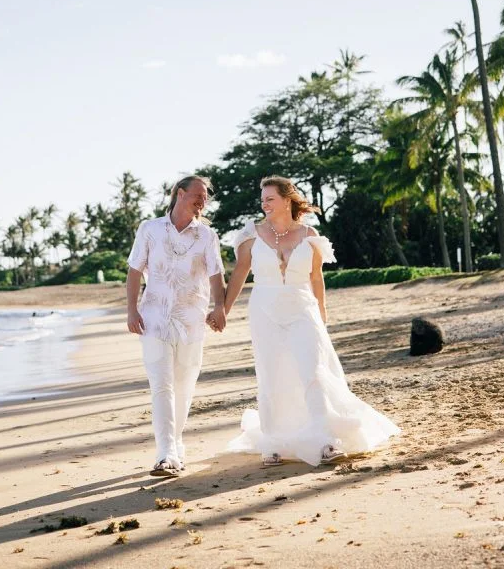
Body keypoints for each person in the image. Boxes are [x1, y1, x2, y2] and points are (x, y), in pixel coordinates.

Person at [210, 175, 400, 468]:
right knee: (271, 372)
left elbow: (316, 277)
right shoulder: (251, 236)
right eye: (262, 200)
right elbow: (238, 277)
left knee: (312, 370)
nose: (265, 204)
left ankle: (325, 440)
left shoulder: (310, 236)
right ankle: (273, 442)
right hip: (265, 311)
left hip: (303, 309)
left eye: (270, 198)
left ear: (287, 200)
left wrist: (321, 314)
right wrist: (223, 309)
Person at [127, 175, 226, 478]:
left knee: (184, 385)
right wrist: (131, 310)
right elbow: (134, 271)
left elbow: (216, 275)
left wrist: (220, 307)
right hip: (154, 318)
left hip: (191, 320)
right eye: (198, 195)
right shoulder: (150, 229)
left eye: (206, 197)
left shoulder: (207, 235)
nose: (202, 201)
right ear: (180, 194)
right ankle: (165, 453)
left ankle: (176, 444)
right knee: (161, 384)